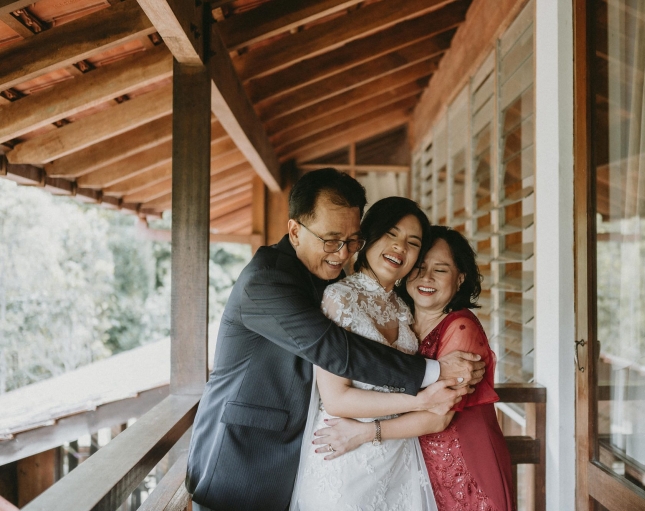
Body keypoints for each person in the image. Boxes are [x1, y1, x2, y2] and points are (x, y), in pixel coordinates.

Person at [185, 169, 485, 511]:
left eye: (351, 241)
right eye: (331, 240)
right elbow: (333, 350)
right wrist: (432, 374)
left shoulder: (337, 280)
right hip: (245, 458)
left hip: (320, 454)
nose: (342, 254)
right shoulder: (266, 281)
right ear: (295, 230)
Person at [315, 226, 516, 510]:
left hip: (463, 469)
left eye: (441, 270)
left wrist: (364, 432)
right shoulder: (404, 320)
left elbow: (439, 419)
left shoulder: (461, 327)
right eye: (420, 267)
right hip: (418, 467)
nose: (427, 277)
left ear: (460, 278)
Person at [292, 197, 440, 511]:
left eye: (412, 242)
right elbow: (336, 398)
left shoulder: (403, 309)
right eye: (392, 234)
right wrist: (420, 401)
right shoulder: (339, 297)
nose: (401, 247)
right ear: (369, 236)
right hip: (345, 453)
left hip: (397, 456)